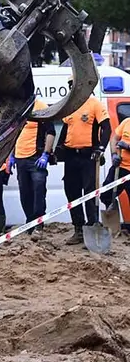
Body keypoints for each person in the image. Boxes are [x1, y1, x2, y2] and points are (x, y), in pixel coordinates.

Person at [57, 83, 111, 245]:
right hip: (71, 156)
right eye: (71, 85)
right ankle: (78, 229)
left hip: (89, 156)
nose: (73, 88)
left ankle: (92, 225)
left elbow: (107, 128)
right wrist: (58, 148)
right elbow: (65, 129)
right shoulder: (70, 106)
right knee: (72, 193)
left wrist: (101, 148)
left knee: (90, 193)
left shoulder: (94, 104)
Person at [12, 99, 55, 231]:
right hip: (20, 159)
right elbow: (11, 133)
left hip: (36, 158)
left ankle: (38, 224)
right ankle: (29, 222)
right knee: (25, 193)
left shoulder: (41, 107)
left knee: (38, 191)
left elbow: (51, 132)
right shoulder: (17, 107)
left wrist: (46, 154)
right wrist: (11, 155)